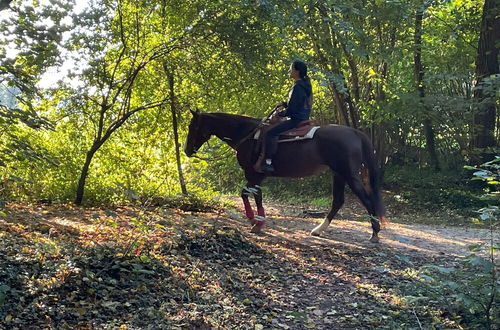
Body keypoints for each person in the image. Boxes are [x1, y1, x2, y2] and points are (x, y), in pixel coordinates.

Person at [260, 60, 313, 174]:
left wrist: (279, 114)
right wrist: (284, 104)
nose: (289, 71)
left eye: (291, 69)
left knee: (270, 133)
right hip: (303, 117)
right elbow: (296, 103)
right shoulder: (304, 85)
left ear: (297, 71)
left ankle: (268, 162)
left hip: (296, 119)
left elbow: (292, 110)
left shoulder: (298, 86)